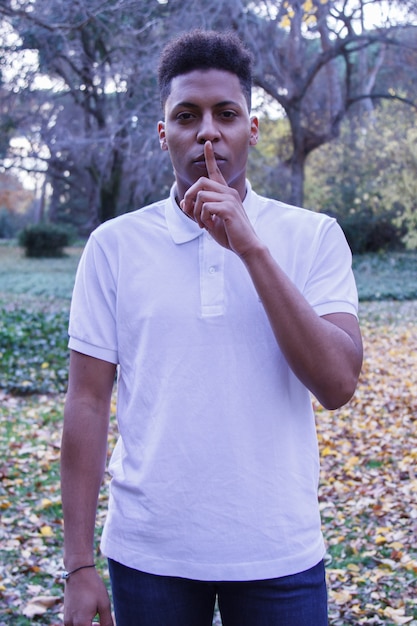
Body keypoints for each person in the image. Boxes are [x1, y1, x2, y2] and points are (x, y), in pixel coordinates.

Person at [61, 29, 363, 626]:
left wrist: (250, 247)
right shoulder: (114, 247)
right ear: (163, 133)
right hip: (150, 555)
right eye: (186, 115)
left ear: (251, 129)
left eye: (226, 114)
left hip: (280, 551)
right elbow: (88, 402)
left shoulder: (314, 235)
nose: (207, 130)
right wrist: (77, 564)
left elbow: (337, 384)